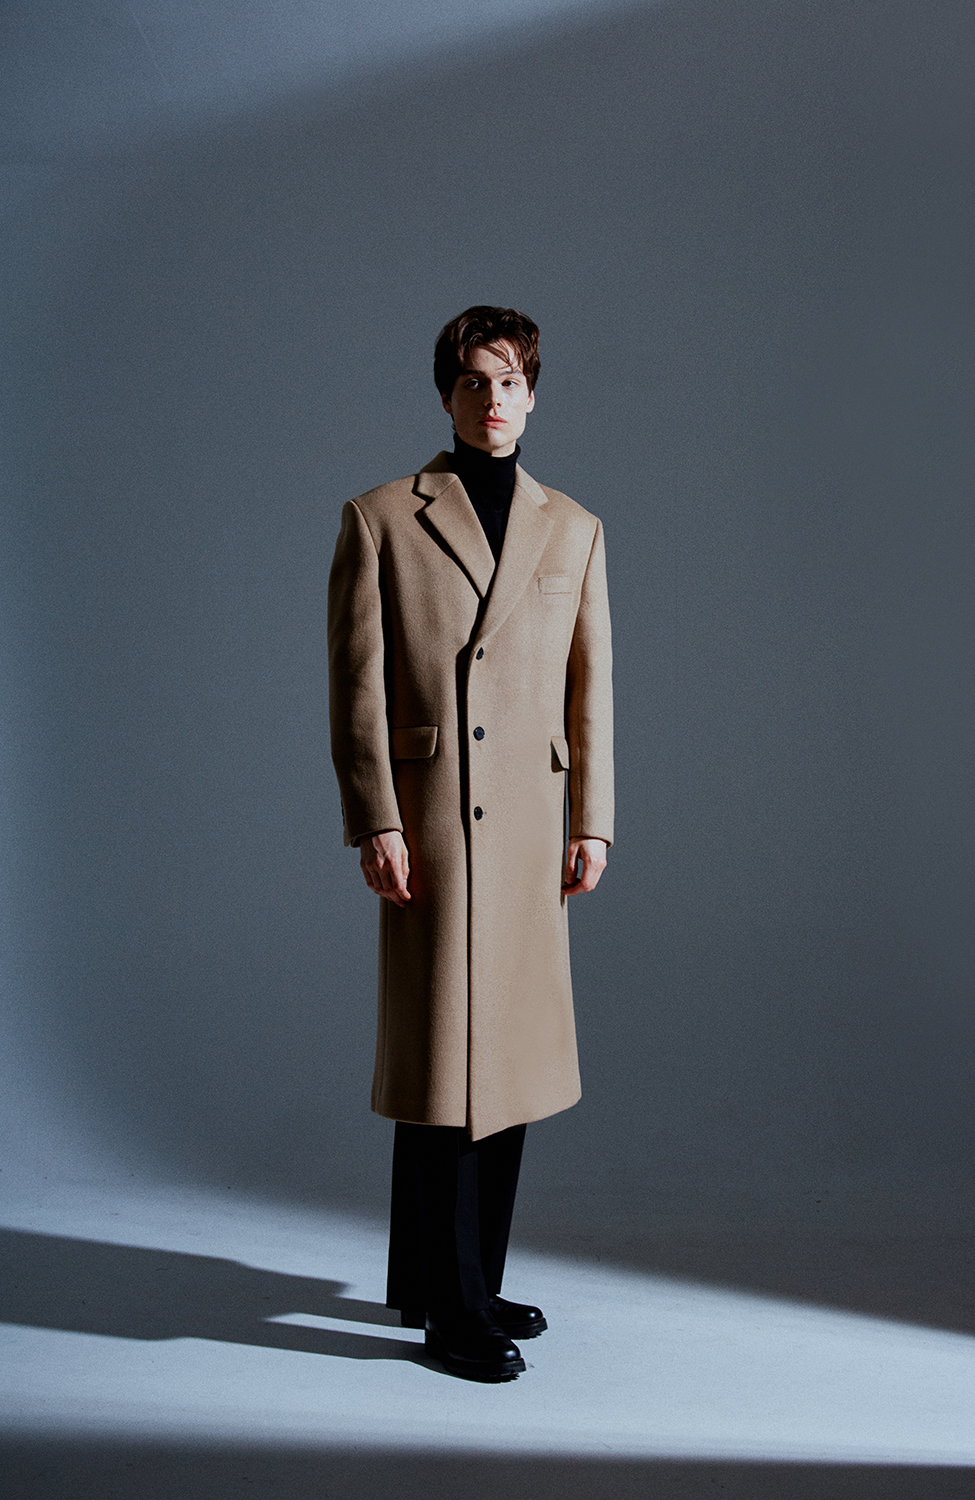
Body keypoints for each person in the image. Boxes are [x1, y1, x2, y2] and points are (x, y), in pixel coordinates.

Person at [327, 305, 614, 1381]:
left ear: (533, 395)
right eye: (472, 382)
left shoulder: (573, 527)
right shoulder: (381, 518)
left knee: (513, 1063)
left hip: (533, 828)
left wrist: (593, 818)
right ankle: (452, 1308)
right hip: (436, 823)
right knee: (446, 1064)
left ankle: (459, 1283)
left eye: (510, 382)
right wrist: (376, 818)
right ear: (445, 396)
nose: (492, 401)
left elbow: (591, 689)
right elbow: (356, 688)